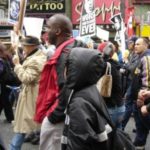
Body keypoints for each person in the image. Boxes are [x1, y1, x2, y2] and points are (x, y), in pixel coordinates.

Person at [34, 14, 87, 150]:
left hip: (60, 118)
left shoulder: (64, 55)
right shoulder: (75, 48)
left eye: (48, 28)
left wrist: (53, 116)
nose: (46, 33)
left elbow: (67, 90)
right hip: (72, 115)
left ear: (57, 31)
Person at [61, 47, 112, 150]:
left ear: (73, 70)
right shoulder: (89, 89)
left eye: (67, 66)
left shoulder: (78, 103)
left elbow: (79, 144)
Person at [10, 36, 46, 150]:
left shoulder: (36, 60)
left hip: (30, 96)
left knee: (23, 127)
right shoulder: (35, 56)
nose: (23, 47)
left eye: (24, 45)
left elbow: (26, 77)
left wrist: (16, 65)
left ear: (32, 46)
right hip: (29, 94)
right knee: (25, 127)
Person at [97, 42, 125, 129]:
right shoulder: (115, 64)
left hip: (110, 107)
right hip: (120, 106)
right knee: (118, 137)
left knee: (108, 138)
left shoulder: (104, 65)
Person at [130, 37, 150, 150]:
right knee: (141, 127)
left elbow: (147, 82)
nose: (135, 46)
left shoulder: (146, 58)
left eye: (138, 44)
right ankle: (139, 145)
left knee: (143, 125)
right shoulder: (139, 56)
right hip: (138, 98)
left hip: (143, 99)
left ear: (145, 46)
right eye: (135, 44)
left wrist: (141, 98)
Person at [0, 42, 14, 123]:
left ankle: (11, 118)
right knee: (3, 100)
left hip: (3, 82)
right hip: (9, 81)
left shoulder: (1, 59)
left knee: (5, 100)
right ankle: (10, 118)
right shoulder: (8, 56)